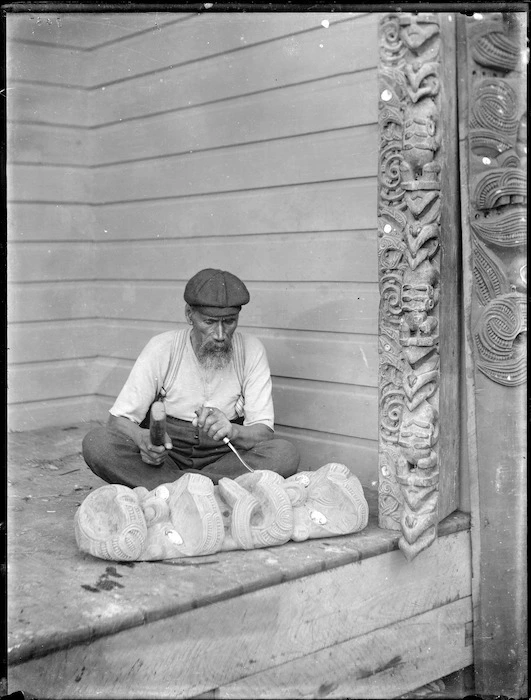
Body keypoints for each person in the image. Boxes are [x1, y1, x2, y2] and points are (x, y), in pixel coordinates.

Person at [82, 268, 300, 489]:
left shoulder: (251, 350)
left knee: (284, 454)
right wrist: (141, 439)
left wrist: (233, 430)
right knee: (98, 444)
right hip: (168, 455)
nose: (220, 334)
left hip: (224, 457)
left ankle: (172, 489)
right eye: (209, 322)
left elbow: (263, 433)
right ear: (189, 315)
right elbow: (118, 421)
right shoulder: (162, 348)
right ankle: (212, 490)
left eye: (230, 321)